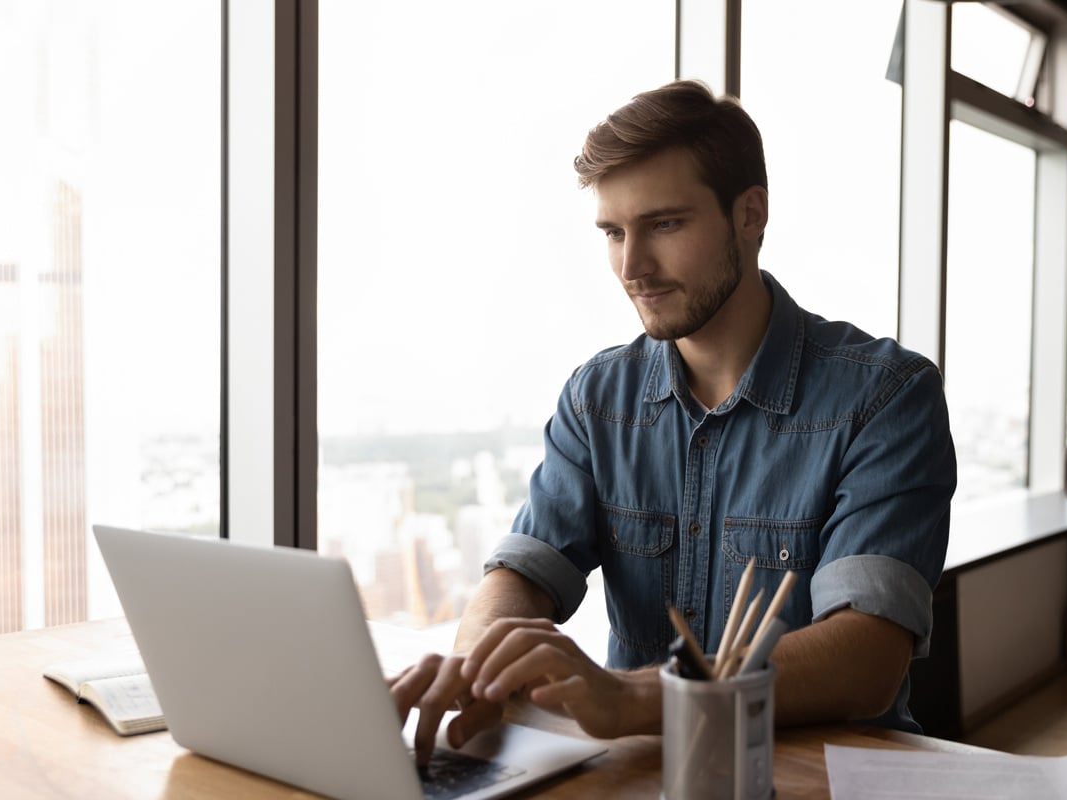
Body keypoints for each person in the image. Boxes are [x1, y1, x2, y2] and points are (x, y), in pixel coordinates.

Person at [390, 79, 956, 765]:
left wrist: (632, 698)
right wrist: (475, 666)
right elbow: (524, 569)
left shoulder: (887, 396)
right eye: (613, 232)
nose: (632, 267)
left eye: (664, 225)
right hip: (646, 773)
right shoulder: (597, 398)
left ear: (751, 215)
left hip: (819, 776)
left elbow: (867, 658)